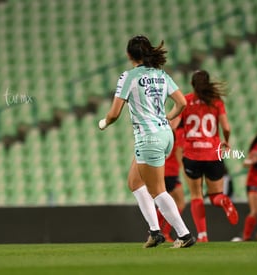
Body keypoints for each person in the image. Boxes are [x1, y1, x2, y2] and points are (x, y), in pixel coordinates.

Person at [98, 35, 196, 248]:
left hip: (148, 138)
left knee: (158, 190)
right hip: (166, 135)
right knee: (134, 183)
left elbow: (114, 114)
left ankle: (184, 235)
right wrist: (167, 118)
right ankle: (155, 232)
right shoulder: (162, 75)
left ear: (129, 54)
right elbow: (181, 102)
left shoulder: (129, 77)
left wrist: (104, 122)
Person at [172, 70, 239, 243]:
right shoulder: (216, 102)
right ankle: (223, 200)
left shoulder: (185, 100)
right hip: (212, 153)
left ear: (192, 84)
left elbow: (173, 125)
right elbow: (227, 127)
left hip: (192, 154)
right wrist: (226, 140)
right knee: (215, 194)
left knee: (196, 195)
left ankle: (202, 235)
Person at [156, 124, 186, 242]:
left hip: (161, 172)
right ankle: (165, 233)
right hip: (171, 173)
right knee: (179, 203)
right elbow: (179, 152)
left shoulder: (162, 135)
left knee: (164, 204)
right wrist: (184, 169)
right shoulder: (178, 134)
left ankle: (156, 231)